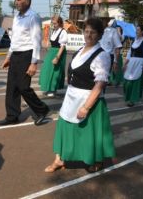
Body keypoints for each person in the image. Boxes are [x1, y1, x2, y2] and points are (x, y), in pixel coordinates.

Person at [44, 18, 115, 173]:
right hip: (71, 97)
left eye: (93, 32)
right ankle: (59, 159)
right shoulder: (80, 50)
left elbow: (100, 84)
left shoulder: (102, 56)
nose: (88, 35)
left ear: (100, 35)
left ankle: (94, 159)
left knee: (90, 134)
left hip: (89, 99)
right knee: (65, 127)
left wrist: (86, 107)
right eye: (86, 31)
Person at [0, 0, 49, 126]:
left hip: (26, 55)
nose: (17, 2)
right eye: (16, 0)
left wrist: (33, 63)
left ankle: (42, 110)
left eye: (20, 0)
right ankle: (12, 116)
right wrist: (8, 56)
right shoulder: (17, 17)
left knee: (24, 87)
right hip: (15, 55)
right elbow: (15, 40)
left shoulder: (33, 17)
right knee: (12, 87)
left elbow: (36, 41)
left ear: (28, 2)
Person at [39, 16, 67, 97]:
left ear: (59, 23)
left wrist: (57, 57)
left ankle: (53, 89)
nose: (53, 25)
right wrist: (48, 46)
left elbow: (62, 46)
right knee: (46, 69)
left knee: (55, 71)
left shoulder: (63, 32)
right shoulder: (54, 31)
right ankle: (48, 88)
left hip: (58, 52)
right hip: (52, 51)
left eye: (55, 23)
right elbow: (53, 42)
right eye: (52, 23)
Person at [123, 24, 143, 107]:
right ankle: (128, 97)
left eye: (138, 30)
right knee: (127, 82)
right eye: (136, 30)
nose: (136, 32)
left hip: (139, 64)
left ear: (142, 32)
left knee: (135, 82)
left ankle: (132, 100)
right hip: (131, 63)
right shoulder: (134, 40)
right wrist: (125, 63)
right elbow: (129, 53)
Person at [99, 16, 123, 87]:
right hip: (97, 57)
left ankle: (100, 96)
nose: (102, 21)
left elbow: (117, 47)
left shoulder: (113, 31)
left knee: (102, 79)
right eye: (101, 19)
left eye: (103, 19)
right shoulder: (97, 30)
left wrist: (115, 61)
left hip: (108, 57)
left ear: (107, 20)